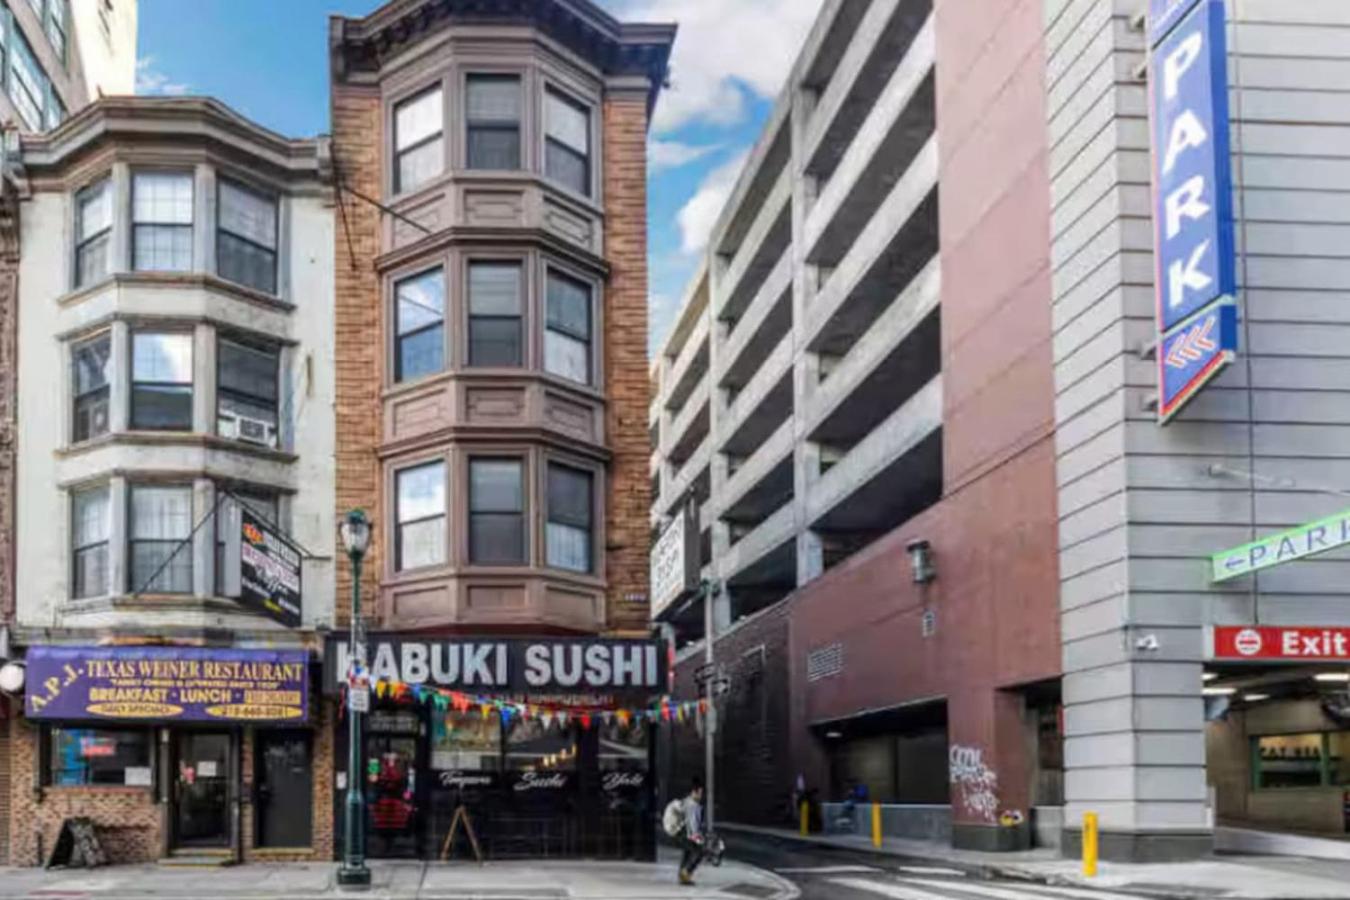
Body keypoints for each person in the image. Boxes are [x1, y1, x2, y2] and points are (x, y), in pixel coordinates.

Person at [677, 779, 706, 885]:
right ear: (694, 792)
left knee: (687, 853)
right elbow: (692, 822)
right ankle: (686, 872)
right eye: (700, 793)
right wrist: (697, 836)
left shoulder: (686, 801)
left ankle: (683, 876)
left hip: (683, 832)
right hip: (689, 833)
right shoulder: (692, 805)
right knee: (699, 852)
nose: (701, 796)